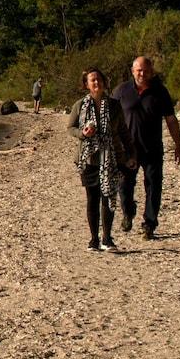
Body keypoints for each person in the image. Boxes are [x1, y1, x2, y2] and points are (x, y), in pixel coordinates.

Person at [113, 54, 180, 239]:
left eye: (145, 70)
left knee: (153, 186)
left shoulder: (160, 92)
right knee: (124, 186)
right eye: (138, 70)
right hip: (128, 150)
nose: (142, 73)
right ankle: (128, 212)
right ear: (132, 71)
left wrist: (178, 146)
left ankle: (150, 224)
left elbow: (171, 120)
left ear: (151, 72)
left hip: (152, 148)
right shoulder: (121, 91)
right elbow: (110, 118)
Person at [68, 68, 130, 251]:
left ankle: (107, 239)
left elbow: (123, 131)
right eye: (92, 80)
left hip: (110, 158)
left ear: (103, 82)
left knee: (108, 196)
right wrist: (83, 133)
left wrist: (130, 153)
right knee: (92, 199)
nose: (96, 83)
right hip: (88, 160)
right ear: (86, 84)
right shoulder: (79, 105)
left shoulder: (114, 105)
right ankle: (94, 239)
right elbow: (70, 128)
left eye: (99, 79)